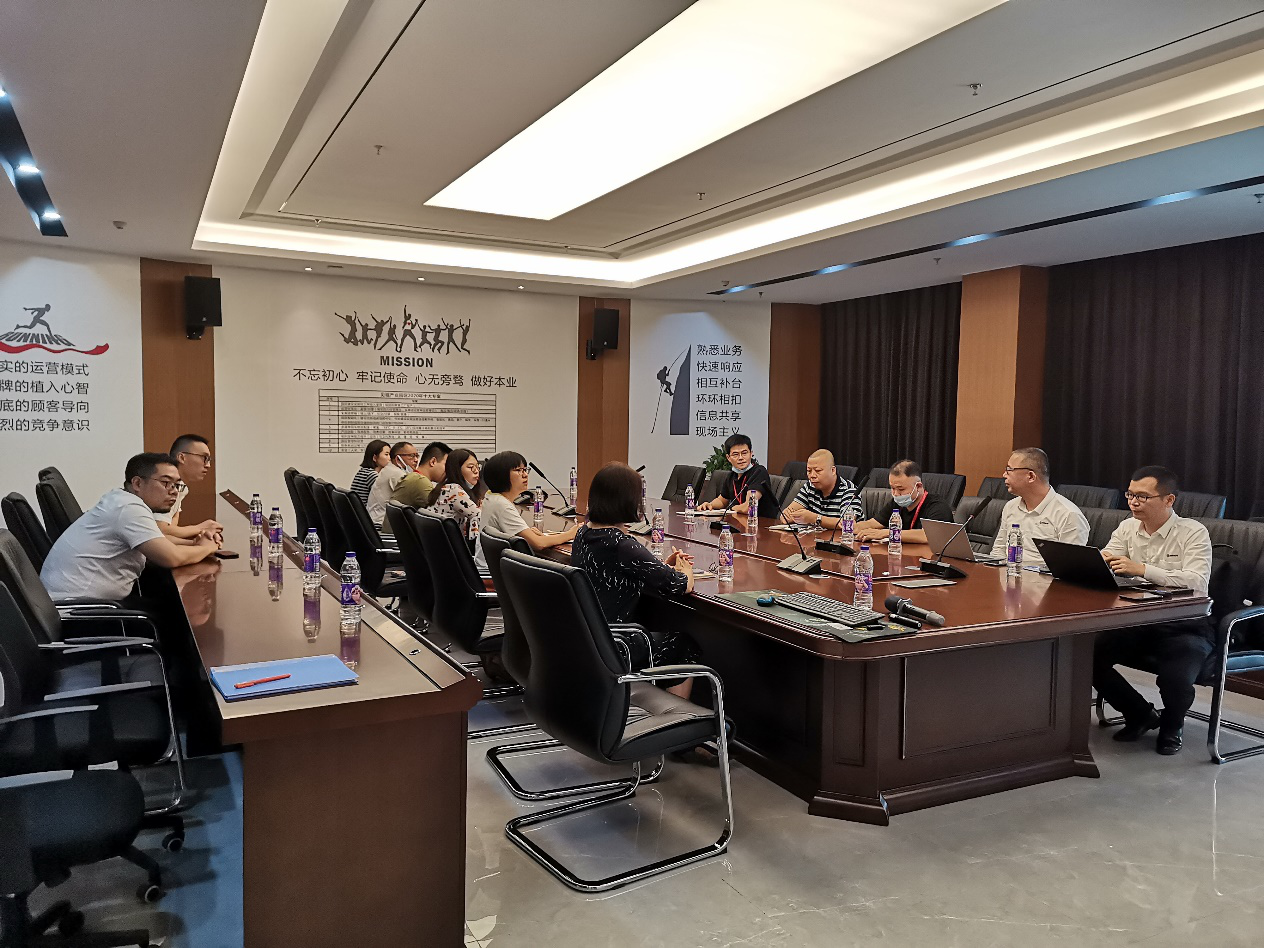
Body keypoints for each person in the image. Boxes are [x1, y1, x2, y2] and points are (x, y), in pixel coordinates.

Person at [1093, 466, 1213, 756]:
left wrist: (1143, 569)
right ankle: (1139, 713)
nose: (1133, 502)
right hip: (1137, 621)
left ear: (1169, 500)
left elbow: (1197, 581)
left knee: (1175, 678)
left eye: (1143, 497)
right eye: (1130, 495)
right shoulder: (1127, 527)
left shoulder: (1192, 532)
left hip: (1183, 624)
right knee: (1084, 655)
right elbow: (1110, 555)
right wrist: (1102, 562)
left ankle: (1172, 726)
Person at [572, 462, 698, 700]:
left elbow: (619, 571)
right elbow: (680, 585)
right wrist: (686, 569)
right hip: (615, 644)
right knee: (683, 645)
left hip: (587, 639)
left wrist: (662, 566)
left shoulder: (584, 532)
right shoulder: (621, 544)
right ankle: (673, 717)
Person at [40, 453, 221, 602]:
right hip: (80, 611)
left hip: (79, 602)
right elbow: (171, 558)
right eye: (166, 483)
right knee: (169, 615)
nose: (173, 491)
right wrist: (207, 548)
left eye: (177, 485)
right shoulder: (128, 509)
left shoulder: (121, 500)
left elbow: (157, 540)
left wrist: (193, 544)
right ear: (137, 483)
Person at [474, 451, 577, 570]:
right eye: (518, 470)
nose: (525, 475)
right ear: (501, 475)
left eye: (525, 470)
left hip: (492, 566)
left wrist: (529, 533)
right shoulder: (502, 506)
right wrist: (571, 534)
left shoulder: (491, 496)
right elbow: (539, 544)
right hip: (492, 572)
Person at [987, 448, 1089, 567]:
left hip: (1044, 578)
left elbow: (1070, 567)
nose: (1004, 475)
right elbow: (998, 551)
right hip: (1010, 574)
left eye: (1009, 470)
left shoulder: (1069, 514)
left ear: (1031, 476)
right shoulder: (1011, 506)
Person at [855, 460, 955, 545]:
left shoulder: (938, 506)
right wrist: (852, 526)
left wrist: (887, 533)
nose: (895, 494)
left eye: (901, 489)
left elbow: (930, 536)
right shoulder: (897, 503)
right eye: (892, 488)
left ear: (918, 487)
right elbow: (873, 523)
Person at [153, 434, 223, 541]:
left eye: (209, 460)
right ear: (182, 458)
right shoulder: (165, 486)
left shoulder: (182, 488)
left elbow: (171, 529)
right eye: (204, 458)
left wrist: (198, 541)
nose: (208, 465)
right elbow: (160, 530)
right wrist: (202, 528)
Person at [697, 433, 779, 518]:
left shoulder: (758, 472)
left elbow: (749, 507)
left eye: (744, 453)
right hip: (740, 521)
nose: (740, 458)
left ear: (751, 453)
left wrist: (732, 508)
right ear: (728, 458)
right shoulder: (731, 476)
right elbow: (722, 501)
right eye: (735, 454)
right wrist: (710, 505)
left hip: (760, 522)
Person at [782, 449, 860, 529]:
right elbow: (786, 515)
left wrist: (815, 518)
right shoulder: (810, 486)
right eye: (809, 471)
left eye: (818, 471)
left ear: (833, 470)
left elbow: (847, 524)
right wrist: (787, 516)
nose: (812, 476)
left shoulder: (850, 491)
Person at [422, 448, 484, 538]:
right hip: (447, 543)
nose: (476, 471)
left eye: (478, 466)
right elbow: (480, 517)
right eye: (471, 467)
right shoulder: (453, 490)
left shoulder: (444, 487)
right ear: (457, 470)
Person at [367, 441, 420, 525]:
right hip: (381, 524)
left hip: (375, 521)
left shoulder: (389, 469)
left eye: (417, 456)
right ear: (398, 458)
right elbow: (415, 500)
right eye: (411, 456)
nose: (416, 460)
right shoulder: (396, 474)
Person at [392, 441, 450, 508]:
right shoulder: (420, 481)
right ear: (433, 462)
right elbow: (442, 509)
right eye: (446, 465)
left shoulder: (415, 477)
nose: (448, 470)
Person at [351, 439, 390, 505]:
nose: (390, 458)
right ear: (375, 458)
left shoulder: (363, 471)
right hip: (367, 510)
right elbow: (385, 498)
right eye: (386, 454)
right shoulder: (372, 475)